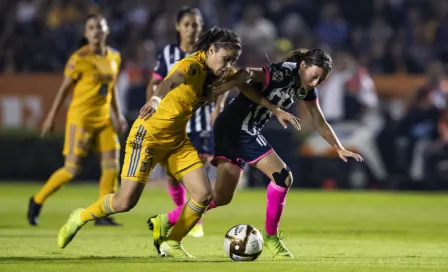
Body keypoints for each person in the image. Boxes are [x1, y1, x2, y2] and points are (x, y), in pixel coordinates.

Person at [56, 27, 298, 258]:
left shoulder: (222, 72)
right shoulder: (193, 66)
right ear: (211, 50)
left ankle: (172, 242)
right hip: (148, 136)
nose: (229, 65)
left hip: (177, 140)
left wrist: (274, 109)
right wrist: (155, 98)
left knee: (203, 195)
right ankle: (81, 216)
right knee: (124, 202)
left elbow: (245, 87)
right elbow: (172, 79)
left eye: (233, 60)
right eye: (226, 58)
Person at [148, 48, 364, 258]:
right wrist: (230, 82)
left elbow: (319, 119)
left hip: (234, 128)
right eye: (315, 76)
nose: (315, 82)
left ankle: (165, 221)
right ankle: (271, 237)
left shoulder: (306, 88)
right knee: (283, 176)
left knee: (221, 197)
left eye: (321, 80)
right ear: (303, 65)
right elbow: (249, 73)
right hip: (238, 127)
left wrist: (338, 147)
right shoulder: (282, 72)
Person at [27, 14, 127, 227]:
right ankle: (37, 200)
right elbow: (64, 90)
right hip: (81, 120)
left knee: (111, 166)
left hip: (104, 120)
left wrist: (117, 115)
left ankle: (102, 213)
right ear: (86, 33)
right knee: (71, 169)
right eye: (91, 28)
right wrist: (51, 117)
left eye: (100, 27)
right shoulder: (79, 58)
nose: (96, 31)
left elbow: (112, 88)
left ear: (107, 30)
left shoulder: (114, 57)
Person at [146, 7, 221, 238]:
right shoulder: (168, 53)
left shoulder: (208, 53)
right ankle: (184, 214)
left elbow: (224, 79)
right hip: (173, 123)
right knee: (172, 175)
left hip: (200, 124)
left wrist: (218, 108)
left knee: (198, 175)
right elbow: (155, 82)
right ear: (178, 27)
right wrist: (152, 104)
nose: (192, 28)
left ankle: (194, 220)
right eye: (187, 24)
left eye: (196, 24)